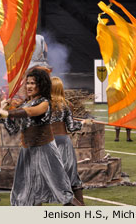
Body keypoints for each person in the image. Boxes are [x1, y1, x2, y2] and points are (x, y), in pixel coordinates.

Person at [0, 68, 82, 206]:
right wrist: (4, 110)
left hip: (45, 151)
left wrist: (8, 113)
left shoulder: (45, 103)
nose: (29, 86)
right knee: (25, 195)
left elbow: (31, 112)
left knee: (63, 193)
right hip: (27, 153)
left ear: (41, 85)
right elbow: (13, 129)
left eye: (33, 83)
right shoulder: (24, 104)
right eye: (27, 83)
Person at [50, 76, 85, 205]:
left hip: (48, 143)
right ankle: (80, 204)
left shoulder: (43, 105)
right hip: (63, 142)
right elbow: (71, 127)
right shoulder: (67, 104)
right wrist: (83, 123)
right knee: (71, 175)